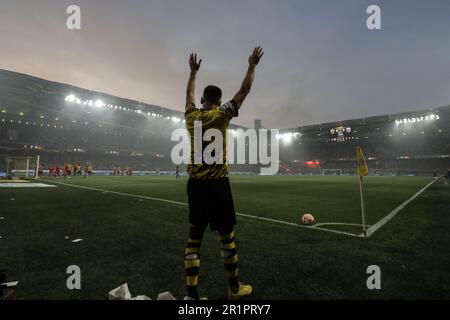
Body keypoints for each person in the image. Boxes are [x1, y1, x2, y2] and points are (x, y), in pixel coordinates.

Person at [183, 47, 264, 300]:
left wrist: (193, 73)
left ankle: (192, 296)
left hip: (195, 185)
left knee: (194, 239)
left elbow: (188, 94)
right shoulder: (223, 114)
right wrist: (251, 65)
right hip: (218, 185)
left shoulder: (190, 116)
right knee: (227, 237)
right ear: (219, 101)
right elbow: (245, 90)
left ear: (203, 100)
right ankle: (234, 288)